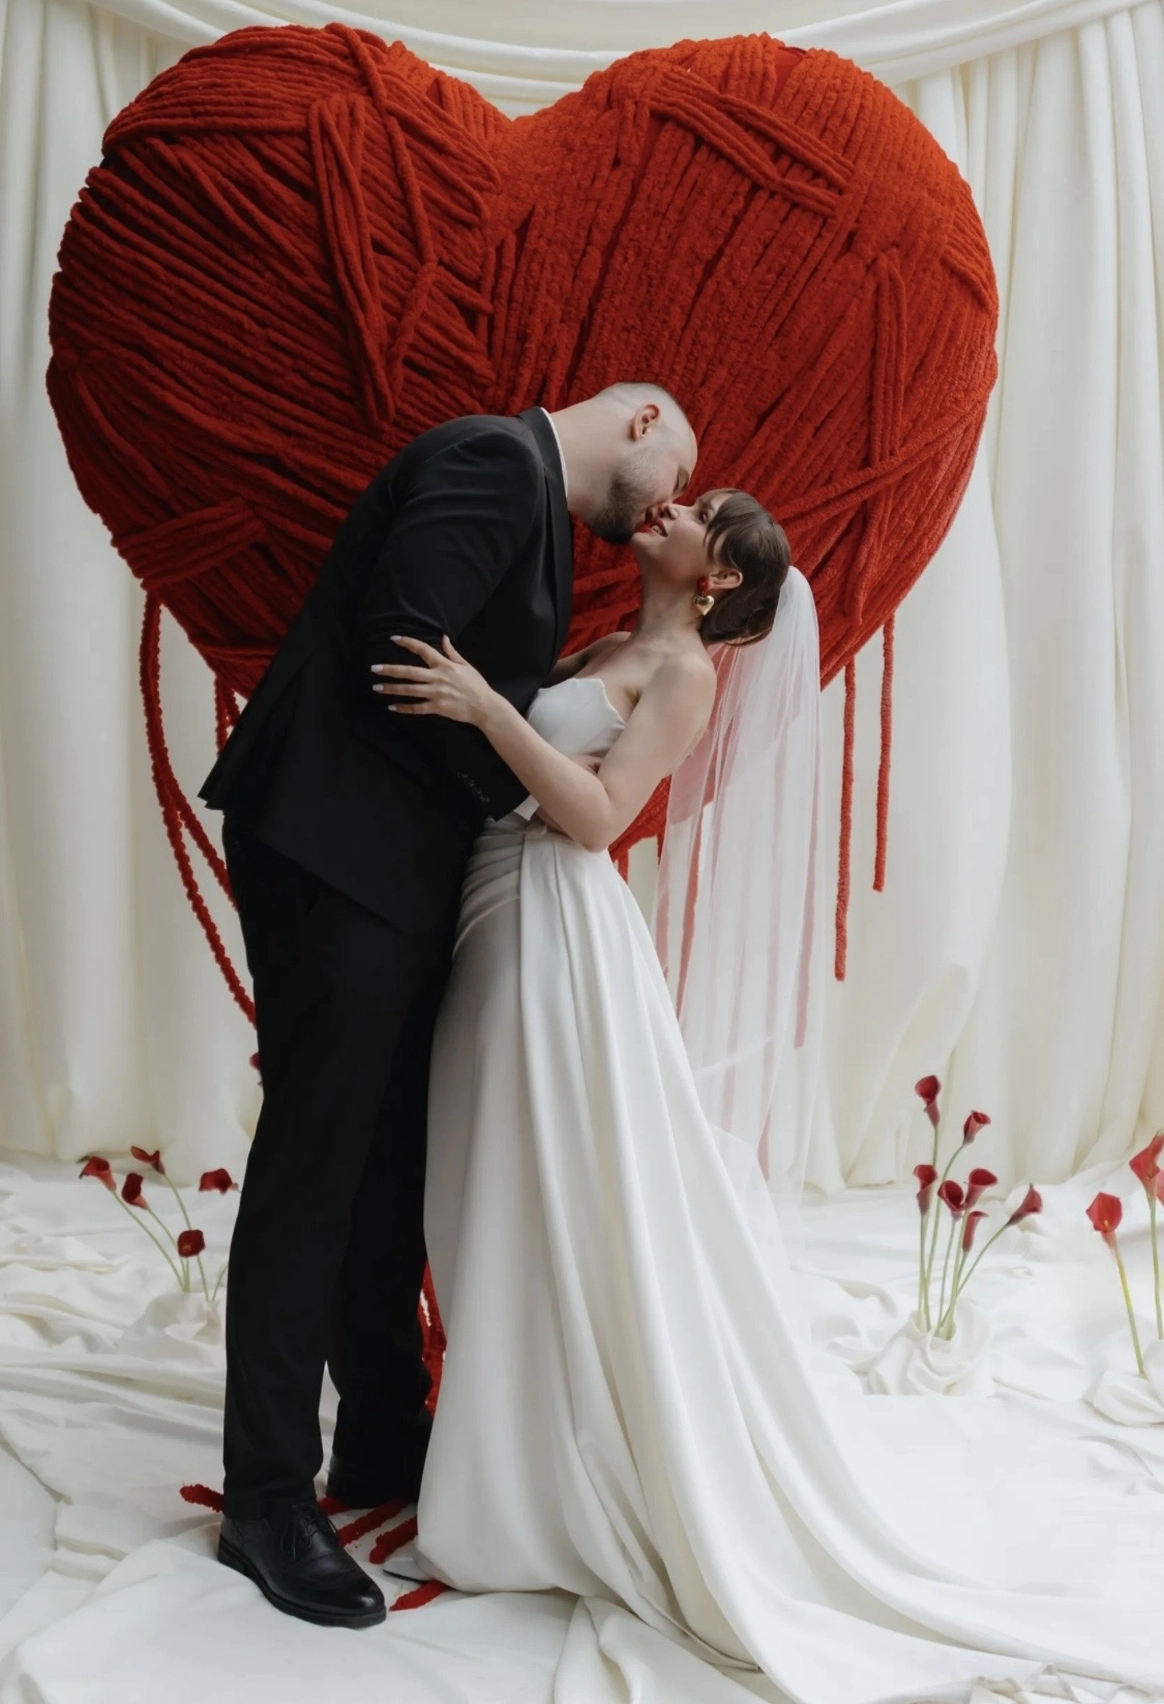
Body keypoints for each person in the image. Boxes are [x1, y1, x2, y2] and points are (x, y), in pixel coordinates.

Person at [372, 496, 1164, 1704]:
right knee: (486, 1188)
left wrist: (487, 708)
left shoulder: (684, 673)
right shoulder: (609, 643)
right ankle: (509, 1463)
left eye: (703, 516)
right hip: (495, 905)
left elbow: (598, 818)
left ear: (717, 579)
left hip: (548, 922)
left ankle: (518, 1494)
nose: (675, 507)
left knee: (519, 1191)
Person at [196, 384, 699, 1629]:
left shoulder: (530, 501)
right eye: (681, 472)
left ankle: (379, 1435)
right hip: (336, 852)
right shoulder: (493, 461)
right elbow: (399, 648)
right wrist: (527, 798)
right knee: (318, 1163)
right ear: (642, 421)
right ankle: (266, 1496)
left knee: (384, 1163)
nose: (674, 503)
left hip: (397, 871)